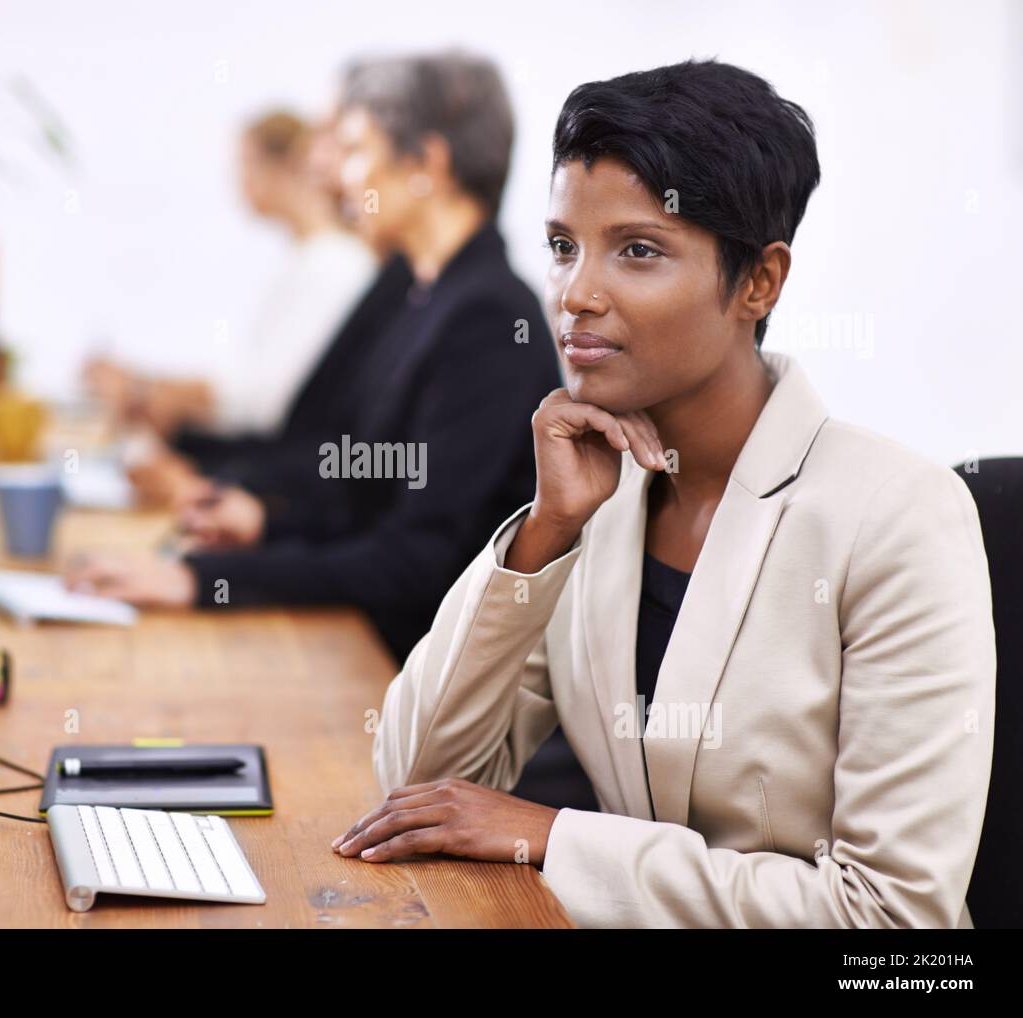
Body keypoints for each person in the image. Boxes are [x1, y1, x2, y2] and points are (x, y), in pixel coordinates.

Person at [333, 59, 996, 929]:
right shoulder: (600, 503)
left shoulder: (893, 516)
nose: (576, 294)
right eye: (564, 246)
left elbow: (889, 921)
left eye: (637, 250)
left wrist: (556, 838)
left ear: (758, 282)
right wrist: (549, 529)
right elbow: (420, 784)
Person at [65, 52, 562, 665]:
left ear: (427, 164)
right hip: (370, 642)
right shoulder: (420, 293)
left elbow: (419, 560)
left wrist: (207, 581)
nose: (339, 178)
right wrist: (261, 526)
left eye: (356, 151)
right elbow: (359, 484)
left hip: (415, 676)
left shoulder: (489, 318)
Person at [84, 109, 376, 443]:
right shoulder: (304, 258)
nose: (238, 182)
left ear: (285, 167)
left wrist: (144, 389)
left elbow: (265, 402)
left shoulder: (334, 264)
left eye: (244, 164)